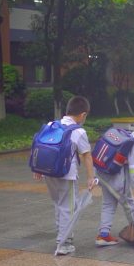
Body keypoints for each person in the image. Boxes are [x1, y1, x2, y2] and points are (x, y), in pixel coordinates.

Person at [33, 96, 95, 255]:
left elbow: (41, 145)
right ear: (82, 115)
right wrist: (90, 177)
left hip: (49, 173)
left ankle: (61, 238)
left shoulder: (51, 125)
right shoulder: (79, 131)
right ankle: (64, 243)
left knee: (59, 205)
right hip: (67, 175)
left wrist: (38, 168)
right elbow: (86, 156)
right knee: (69, 208)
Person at [95, 121, 134, 246]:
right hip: (116, 180)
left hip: (102, 173)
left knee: (108, 204)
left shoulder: (125, 135)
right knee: (130, 205)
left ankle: (103, 235)